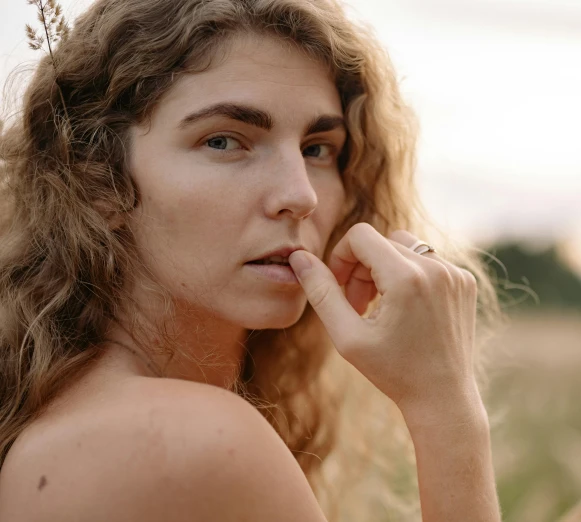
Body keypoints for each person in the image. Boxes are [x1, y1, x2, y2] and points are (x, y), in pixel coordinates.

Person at [0, 0, 503, 520]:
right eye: (224, 141)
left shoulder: (72, 411)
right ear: (97, 181)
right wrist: (449, 412)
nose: (300, 194)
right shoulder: (200, 439)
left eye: (318, 149)